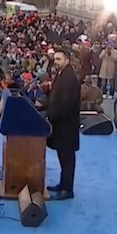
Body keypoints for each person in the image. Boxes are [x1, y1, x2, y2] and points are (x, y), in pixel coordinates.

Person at [45, 49, 80, 201]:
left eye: (59, 59)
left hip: (66, 125)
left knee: (67, 158)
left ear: (67, 60)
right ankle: (63, 184)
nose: (56, 61)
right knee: (62, 156)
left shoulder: (70, 78)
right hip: (60, 125)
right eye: (55, 59)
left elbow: (65, 103)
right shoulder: (62, 74)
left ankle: (67, 190)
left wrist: (49, 116)